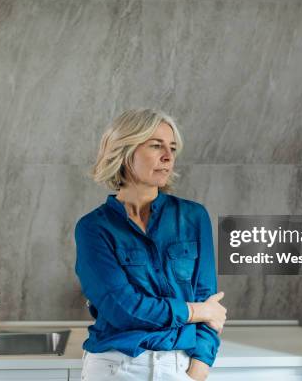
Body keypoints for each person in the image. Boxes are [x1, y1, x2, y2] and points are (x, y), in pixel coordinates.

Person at [74, 109, 227, 381]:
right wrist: (195, 311)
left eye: (172, 148)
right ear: (125, 151)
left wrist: (198, 369)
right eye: (156, 146)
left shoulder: (193, 217)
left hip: (180, 368)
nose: (168, 156)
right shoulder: (93, 228)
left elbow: (209, 301)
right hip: (114, 368)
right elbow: (122, 309)